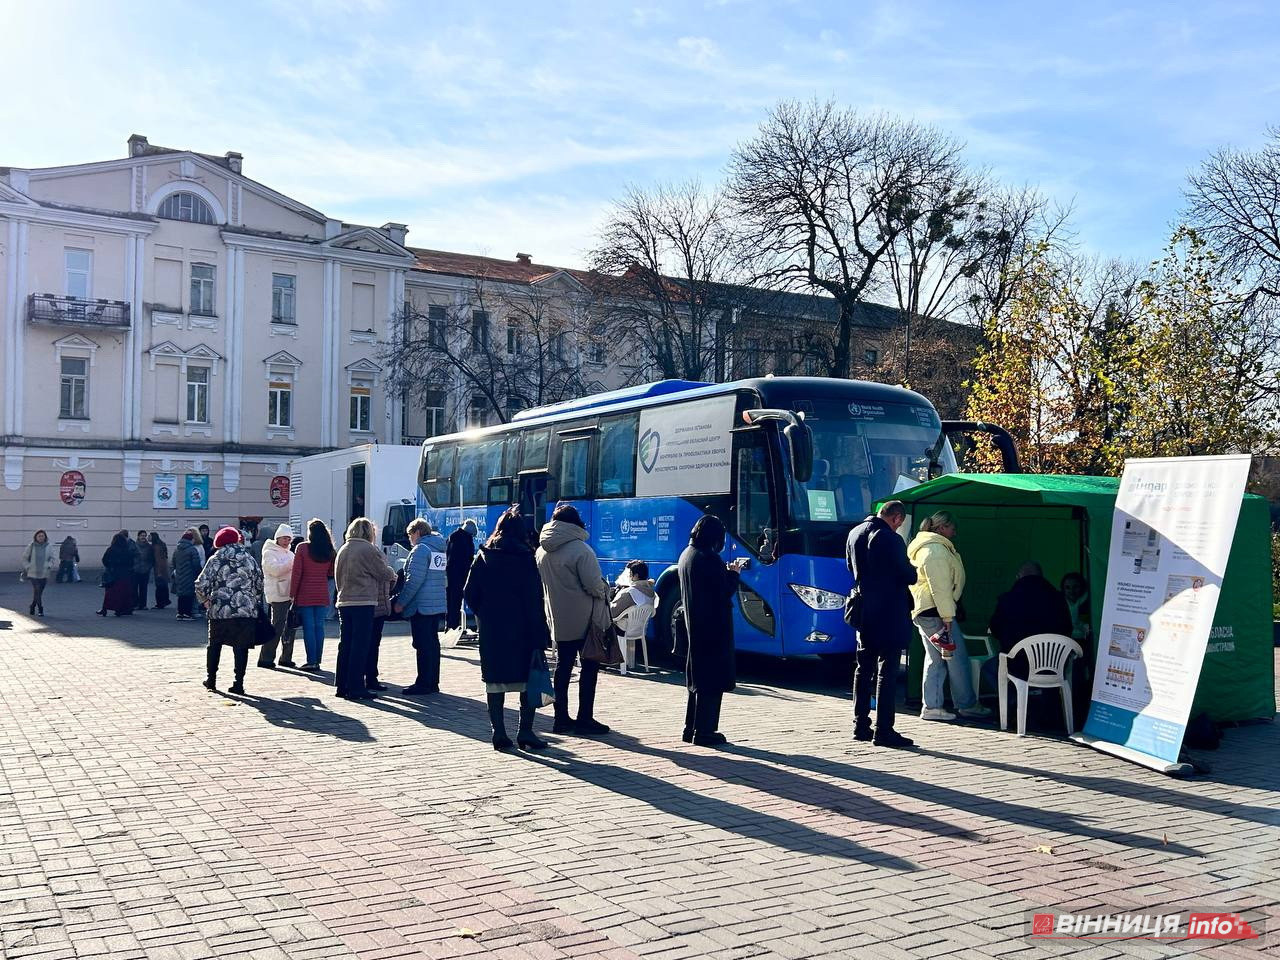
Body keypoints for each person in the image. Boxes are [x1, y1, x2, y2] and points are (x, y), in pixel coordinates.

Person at [464, 505, 552, 751]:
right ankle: (525, 732)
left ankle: (499, 733)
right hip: (523, 630)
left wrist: (486, 614)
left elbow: (469, 593)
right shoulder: (526, 559)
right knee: (528, 680)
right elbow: (536, 599)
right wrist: (539, 632)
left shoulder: (484, 557)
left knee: (495, 682)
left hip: (493, 631)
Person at [846, 501, 917, 748]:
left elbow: (850, 567)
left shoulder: (854, 533)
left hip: (863, 609)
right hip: (889, 611)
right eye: (900, 523)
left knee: (863, 668)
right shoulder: (890, 539)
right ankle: (884, 729)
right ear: (897, 518)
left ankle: (860, 724)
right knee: (887, 670)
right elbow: (908, 575)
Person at [908, 511, 991, 723]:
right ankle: (966, 704)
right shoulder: (936, 550)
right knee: (957, 658)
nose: (955, 531)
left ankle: (933, 707)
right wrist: (947, 616)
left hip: (926, 610)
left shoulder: (926, 547)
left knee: (935, 660)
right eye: (952, 527)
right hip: (937, 612)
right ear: (942, 528)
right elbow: (941, 588)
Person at [537, 504, 611, 735]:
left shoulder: (541, 550)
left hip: (558, 619)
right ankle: (585, 718)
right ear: (576, 522)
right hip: (585, 619)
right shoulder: (581, 550)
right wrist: (605, 589)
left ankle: (561, 719)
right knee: (589, 668)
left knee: (562, 668)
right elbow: (593, 586)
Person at [678, 515, 748, 746]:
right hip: (714, 627)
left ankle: (691, 727)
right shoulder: (709, 559)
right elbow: (722, 591)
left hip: (696, 624)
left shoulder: (687, 555)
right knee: (712, 680)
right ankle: (706, 731)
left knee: (697, 680)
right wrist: (734, 574)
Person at [333, 517, 397, 700]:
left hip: (344, 601)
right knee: (360, 646)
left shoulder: (343, 549)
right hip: (363, 602)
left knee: (345, 644)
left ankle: (342, 684)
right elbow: (382, 573)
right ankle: (356, 687)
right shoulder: (368, 549)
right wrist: (393, 574)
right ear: (369, 532)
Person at [195, 526, 264, 695]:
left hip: (220, 610)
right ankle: (238, 683)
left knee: (214, 645)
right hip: (245, 611)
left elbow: (201, 583)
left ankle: (211, 680)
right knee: (241, 647)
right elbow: (260, 583)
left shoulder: (216, 559)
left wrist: (204, 600)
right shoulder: (249, 559)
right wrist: (252, 600)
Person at [990, 561, 1074, 680]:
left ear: (1018, 577)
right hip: (1054, 665)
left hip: (1018, 666)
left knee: (989, 669)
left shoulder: (1007, 599)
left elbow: (995, 629)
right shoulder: (1058, 598)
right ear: (1041, 577)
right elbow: (1067, 628)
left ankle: (1016, 697)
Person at [396, 518, 449, 695]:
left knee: (423, 645)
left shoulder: (420, 550)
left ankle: (423, 683)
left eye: (410, 534)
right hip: (436, 604)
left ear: (417, 532)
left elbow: (414, 580)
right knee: (432, 644)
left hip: (421, 605)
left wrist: (401, 602)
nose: (409, 538)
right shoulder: (438, 549)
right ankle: (433, 681)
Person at [290, 519, 336, 671]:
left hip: (305, 592)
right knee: (319, 627)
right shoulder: (329, 550)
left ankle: (311, 660)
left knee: (308, 627)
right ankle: (318, 660)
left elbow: (297, 573)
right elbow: (331, 572)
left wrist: (292, 594)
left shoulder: (302, 548)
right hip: (322, 592)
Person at [258, 523, 297, 669]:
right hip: (278, 594)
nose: (287, 541)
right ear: (278, 538)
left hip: (291, 593)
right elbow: (274, 570)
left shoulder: (290, 553)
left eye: (289, 539)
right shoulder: (269, 552)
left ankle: (286, 657)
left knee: (291, 627)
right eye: (284, 538)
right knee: (277, 626)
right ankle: (266, 658)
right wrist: (291, 563)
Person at [610, 560, 656, 671]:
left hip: (623, 629)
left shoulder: (629, 592)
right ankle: (629, 662)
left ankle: (601, 657)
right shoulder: (651, 591)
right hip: (640, 630)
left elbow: (612, 612)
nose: (629, 577)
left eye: (630, 574)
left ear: (635, 576)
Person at [445, 518, 478, 631]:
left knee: (451, 601)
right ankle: (453, 626)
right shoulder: (466, 540)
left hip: (451, 574)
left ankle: (449, 625)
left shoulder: (453, 537)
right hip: (462, 575)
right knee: (458, 601)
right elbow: (466, 559)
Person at [98, 531, 136, 617]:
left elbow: (104, 560)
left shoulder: (111, 549)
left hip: (113, 574)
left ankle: (104, 609)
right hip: (125, 575)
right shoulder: (127, 551)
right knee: (123, 593)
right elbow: (131, 562)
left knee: (109, 593)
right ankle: (120, 609)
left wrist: (110, 566)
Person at [172, 528, 204, 621]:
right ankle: (187, 614)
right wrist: (199, 573)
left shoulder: (177, 549)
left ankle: (180, 613)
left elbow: (173, 562)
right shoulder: (192, 549)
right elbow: (196, 564)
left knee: (181, 594)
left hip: (179, 575)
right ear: (191, 539)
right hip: (190, 575)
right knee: (189, 594)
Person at [21, 530, 52, 616]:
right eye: (39, 536)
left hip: (44, 573)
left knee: (39, 592)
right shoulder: (31, 546)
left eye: (42, 536)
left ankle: (32, 606)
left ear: (45, 537)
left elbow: (52, 558)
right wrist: (28, 566)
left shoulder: (49, 546)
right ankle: (40, 609)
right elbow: (24, 558)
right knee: (37, 590)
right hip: (33, 573)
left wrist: (49, 565)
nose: (41, 537)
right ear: (36, 537)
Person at [1061, 572, 1092, 644]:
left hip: (1085, 640)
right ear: (1063, 589)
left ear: (1082, 587)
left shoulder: (1089, 602)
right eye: (1067, 587)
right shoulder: (1060, 603)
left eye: (1075, 587)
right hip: (1066, 640)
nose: (1072, 591)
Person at [133, 530, 154, 611]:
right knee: (134, 588)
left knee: (144, 588)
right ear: (138, 536)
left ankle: (143, 604)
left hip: (145, 570)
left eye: (144, 535)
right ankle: (135, 604)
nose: (143, 537)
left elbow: (151, 558)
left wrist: (149, 567)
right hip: (135, 569)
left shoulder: (149, 547)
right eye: (142, 535)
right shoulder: (134, 545)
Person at [151, 532, 171, 609]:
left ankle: (160, 603)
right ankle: (166, 600)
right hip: (164, 568)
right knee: (164, 586)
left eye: (150, 536)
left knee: (159, 587)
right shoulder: (161, 544)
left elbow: (158, 559)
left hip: (159, 569)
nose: (148, 538)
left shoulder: (156, 547)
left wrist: (159, 572)